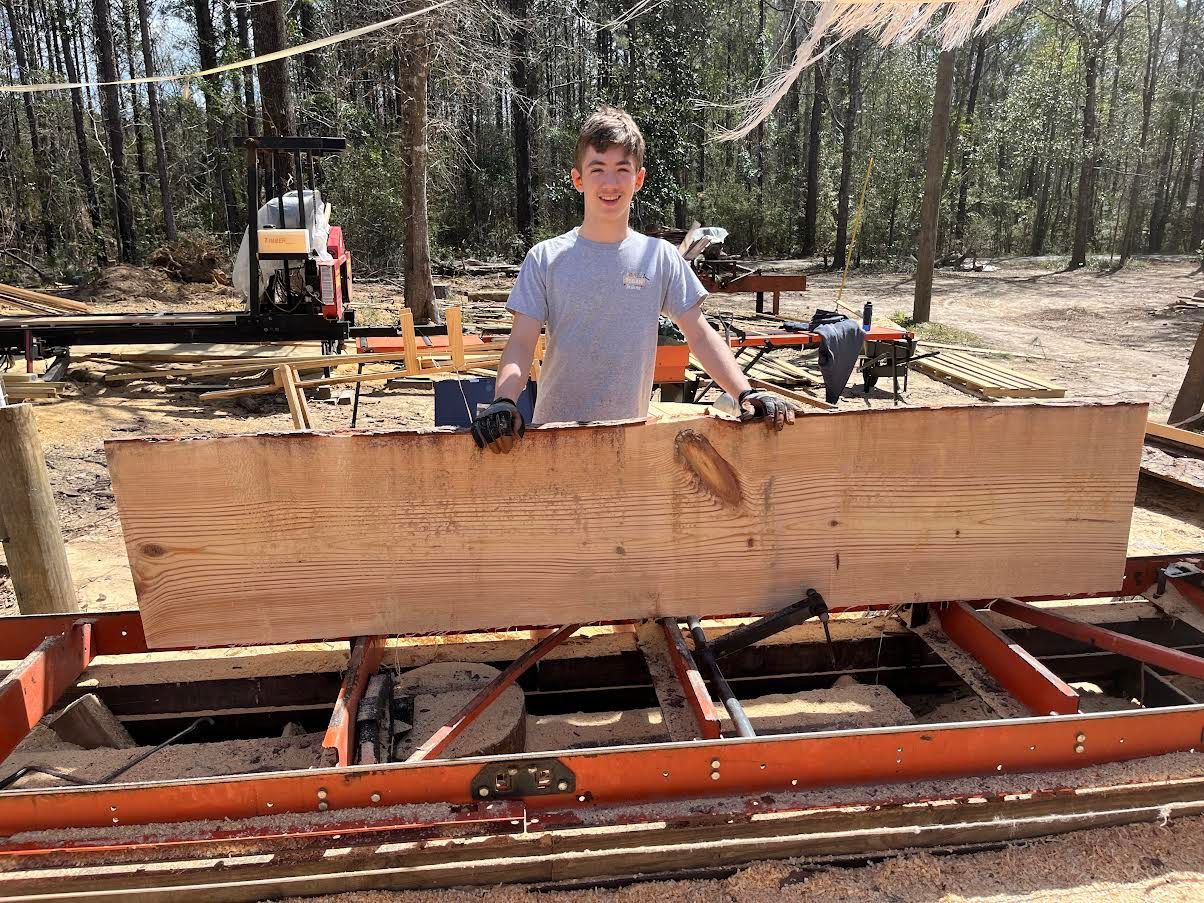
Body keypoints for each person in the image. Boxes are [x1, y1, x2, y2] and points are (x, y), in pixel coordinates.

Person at [471, 106, 799, 453]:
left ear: (638, 179)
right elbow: (521, 343)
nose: (610, 183)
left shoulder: (660, 258)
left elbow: (699, 334)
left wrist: (745, 391)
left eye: (621, 170)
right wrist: (504, 400)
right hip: (556, 436)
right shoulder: (546, 258)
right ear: (578, 179)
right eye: (597, 169)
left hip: (630, 441)